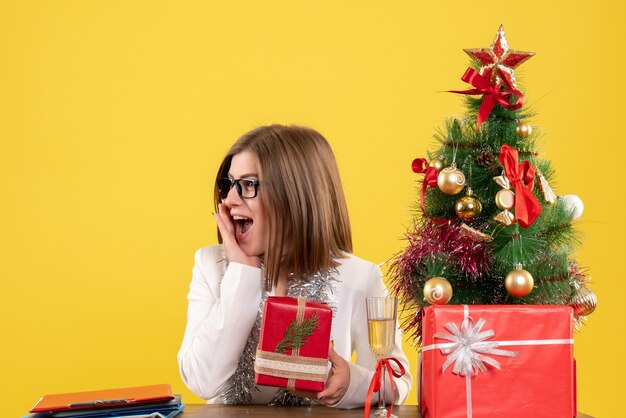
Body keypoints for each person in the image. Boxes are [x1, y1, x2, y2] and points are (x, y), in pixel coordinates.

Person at [177, 125, 412, 408]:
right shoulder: (209, 265)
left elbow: (397, 382)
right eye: (228, 185)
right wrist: (243, 275)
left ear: (294, 195)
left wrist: (351, 383)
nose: (229, 200)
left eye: (249, 185)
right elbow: (202, 381)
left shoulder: (359, 276)